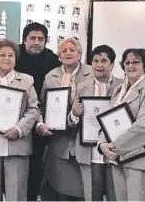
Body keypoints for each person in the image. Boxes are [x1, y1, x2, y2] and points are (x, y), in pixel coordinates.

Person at [0, 22, 61, 201]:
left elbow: (34, 107)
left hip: (26, 133)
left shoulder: (43, 67)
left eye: (41, 39)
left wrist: (19, 128)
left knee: (19, 187)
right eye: (32, 38)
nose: (36, 42)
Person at [0, 39, 40, 201]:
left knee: (16, 192)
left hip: (17, 144)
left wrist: (18, 129)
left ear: (16, 59)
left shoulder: (26, 80)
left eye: (11, 55)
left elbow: (33, 109)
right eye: (2, 55)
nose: (6, 58)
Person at [98, 48, 145, 201]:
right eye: (127, 62)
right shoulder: (118, 90)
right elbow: (107, 120)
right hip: (117, 158)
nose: (130, 66)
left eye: (136, 62)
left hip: (140, 159)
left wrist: (114, 147)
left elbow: (144, 126)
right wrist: (102, 144)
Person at [38, 37, 93, 201]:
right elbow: (42, 105)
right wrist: (40, 123)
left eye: (72, 50)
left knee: (82, 192)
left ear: (80, 54)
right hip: (58, 142)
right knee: (60, 190)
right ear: (59, 56)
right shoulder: (50, 76)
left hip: (85, 142)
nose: (68, 53)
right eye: (64, 51)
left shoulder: (92, 73)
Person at [68, 45, 123, 201]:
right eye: (96, 61)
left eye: (104, 61)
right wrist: (74, 114)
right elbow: (71, 123)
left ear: (112, 65)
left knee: (117, 195)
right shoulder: (81, 87)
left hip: (115, 149)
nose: (99, 65)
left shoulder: (122, 85)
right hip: (89, 150)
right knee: (92, 196)